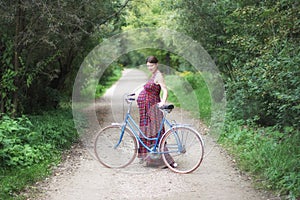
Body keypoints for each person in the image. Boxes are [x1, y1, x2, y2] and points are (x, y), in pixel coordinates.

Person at [137, 56, 177, 168]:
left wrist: (162, 102)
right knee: (148, 131)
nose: (149, 67)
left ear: (156, 64)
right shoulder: (153, 75)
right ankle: (152, 159)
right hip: (146, 108)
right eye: (148, 66)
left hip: (152, 107)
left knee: (155, 131)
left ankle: (165, 160)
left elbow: (164, 90)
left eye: (151, 65)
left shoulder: (159, 75)